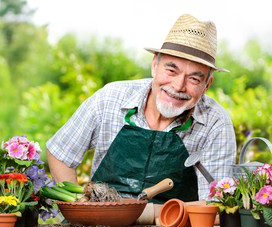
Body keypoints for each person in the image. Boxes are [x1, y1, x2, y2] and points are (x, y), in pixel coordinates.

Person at [46, 14, 236, 205]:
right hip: (100, 224)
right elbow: (60, 153)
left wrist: (150, 215)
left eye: (194, 79)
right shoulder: (110, 98)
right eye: (171, 70)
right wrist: (80, 206)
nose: (178, 86)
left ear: (207, 85)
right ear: (155, 65)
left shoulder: (215, 123)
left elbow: (214, 204)